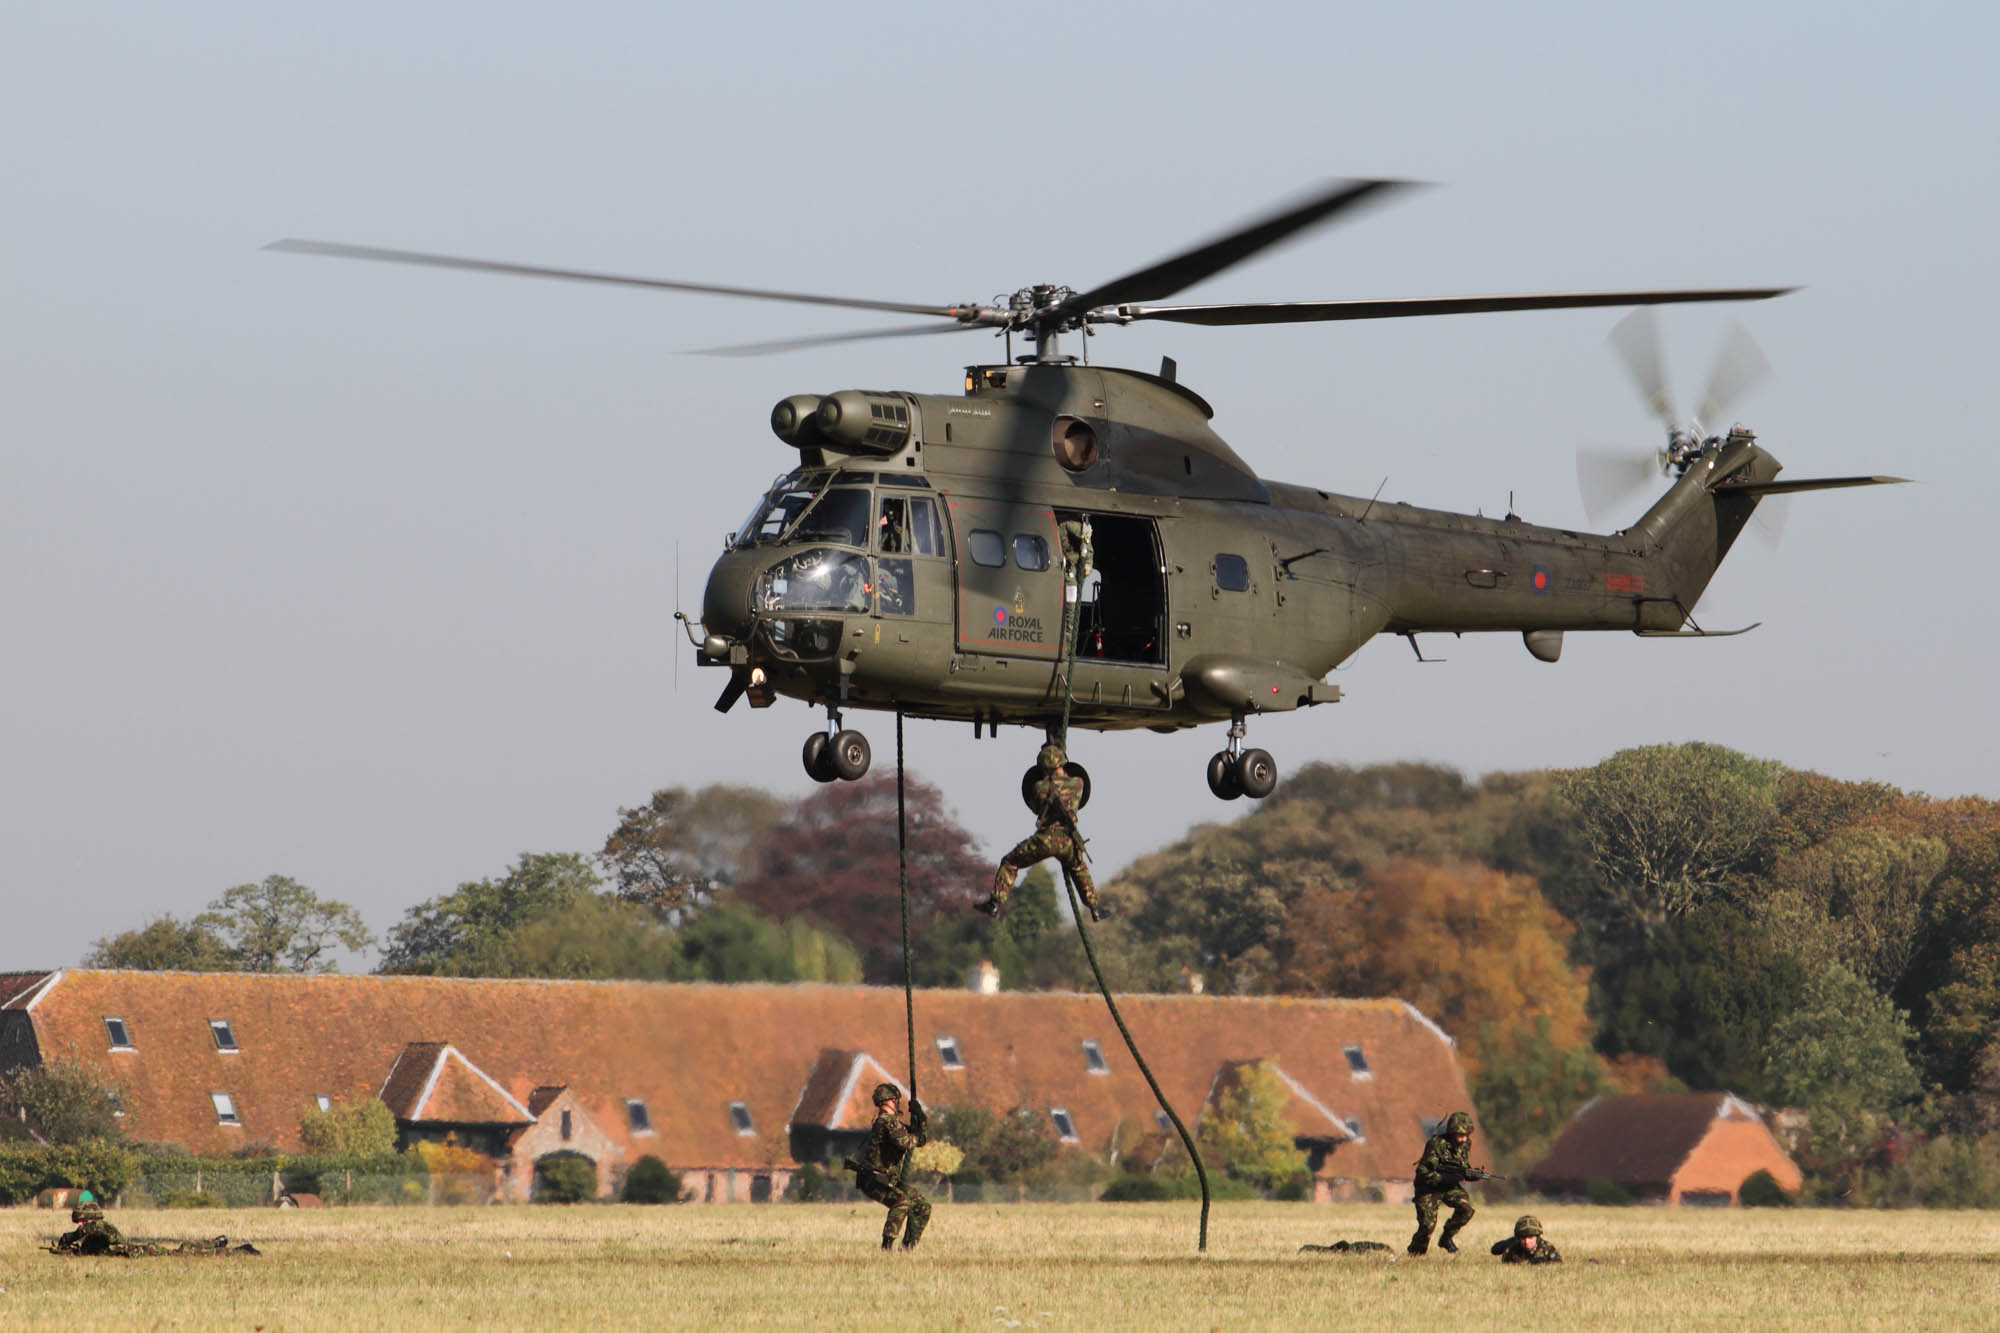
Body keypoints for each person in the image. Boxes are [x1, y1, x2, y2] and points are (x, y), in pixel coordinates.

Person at [976, 741, 1102, 921]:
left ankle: (995, 903)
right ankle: (1095, 908)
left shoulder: (1038, 788)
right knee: (1079, 867)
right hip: (1067, 841)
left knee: (1010, 862)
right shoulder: (1078, 784)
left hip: (1044, 840)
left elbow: (1035, 808)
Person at [850, 1082, 931, 1252]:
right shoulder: (886, 1122)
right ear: (886, 1102)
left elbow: (920, 1140)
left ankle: (907, 1248)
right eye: (895, 1100)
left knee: (922, 1206)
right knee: (901, 1202)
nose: (898, 1103)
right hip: (874, 1180)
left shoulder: (894, 1123)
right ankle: (886, 1249)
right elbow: (906, 1142)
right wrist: (916, 1130)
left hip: (888, 1181)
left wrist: (920, 1119)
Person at [1408, 1110, 1492, 1256]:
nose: (1464, 1139)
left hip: (1448, 1187)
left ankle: (1446, 1238)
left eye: (1467, 1135)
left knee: (1466, 1209)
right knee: (1427, 1225)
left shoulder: (1465, 1145)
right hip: (1428, 1188)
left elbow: (1462, 1167)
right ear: (1452, 1133)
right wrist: (1443, 1178)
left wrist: (1471, 1174)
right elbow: (1423, 1173)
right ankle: (1416, 1254)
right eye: (1460, 1135)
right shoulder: (1436, 1144)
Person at [1491, 1214, 1562, 1264]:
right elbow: (1494, 1250)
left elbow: (1557, 1264)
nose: (1527, 1241)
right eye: (1523, 1238)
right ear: (1518, 1238)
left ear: (1537, 1237)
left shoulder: (1547, 1249)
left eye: (1530, 1237)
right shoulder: (1512, 1246)